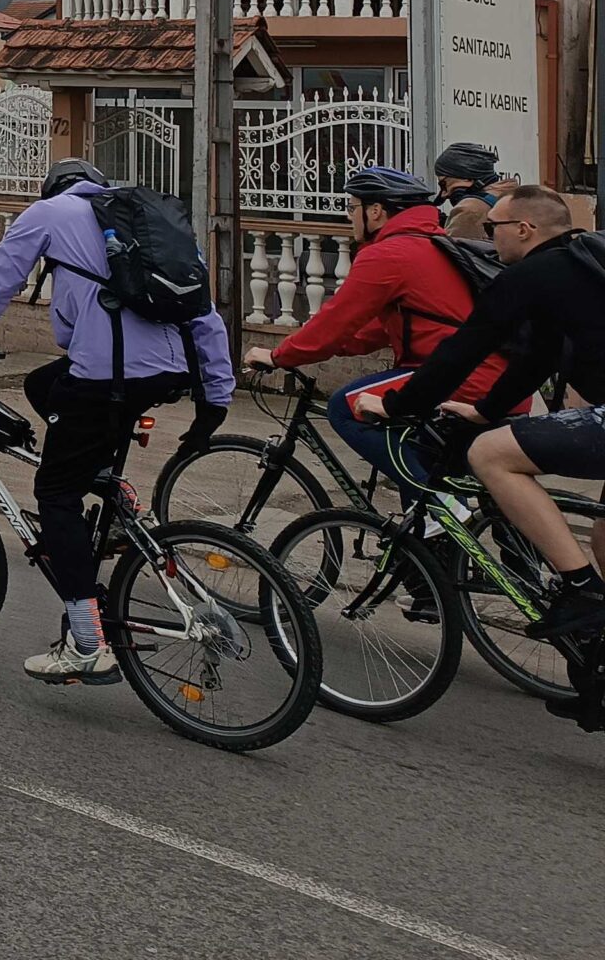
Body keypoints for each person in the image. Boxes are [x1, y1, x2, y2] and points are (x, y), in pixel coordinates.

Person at [0, 158, 235, 688]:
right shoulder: (144, 220)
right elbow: (204, 310)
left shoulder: (48, 213)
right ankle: (105, 480)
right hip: (168, 371)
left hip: (108, 374)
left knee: (55, 493)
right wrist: (215, 397)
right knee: (42, 386)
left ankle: (86, 643)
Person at [366, 183, 605, 662]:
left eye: (493, 228)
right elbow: (537, 359)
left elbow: (461, 351)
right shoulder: (583, 264)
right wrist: (484, 411)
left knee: (490, 454)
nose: (488, 236)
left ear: (525, 229)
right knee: (603, 535)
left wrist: (396, 406)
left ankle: (581, 592)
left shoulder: (530, 275)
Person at [240, 166, 496, 495]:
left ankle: (438, 508)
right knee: (417, 454)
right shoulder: (429, 242)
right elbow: (373, 330)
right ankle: (431, 534)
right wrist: (322, 347)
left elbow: (335, 321)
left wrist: (278, 355)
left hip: (459, 376)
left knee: (347, 406)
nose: (350, 217)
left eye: (352, 208)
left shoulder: (389, 253)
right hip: (482, 374)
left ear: (375, 211)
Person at [431, 141, 505, 244]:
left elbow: (452, 255)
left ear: (467, 179)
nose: (444, 194)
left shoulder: (470, 210)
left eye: (443, 184)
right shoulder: (514, 197)